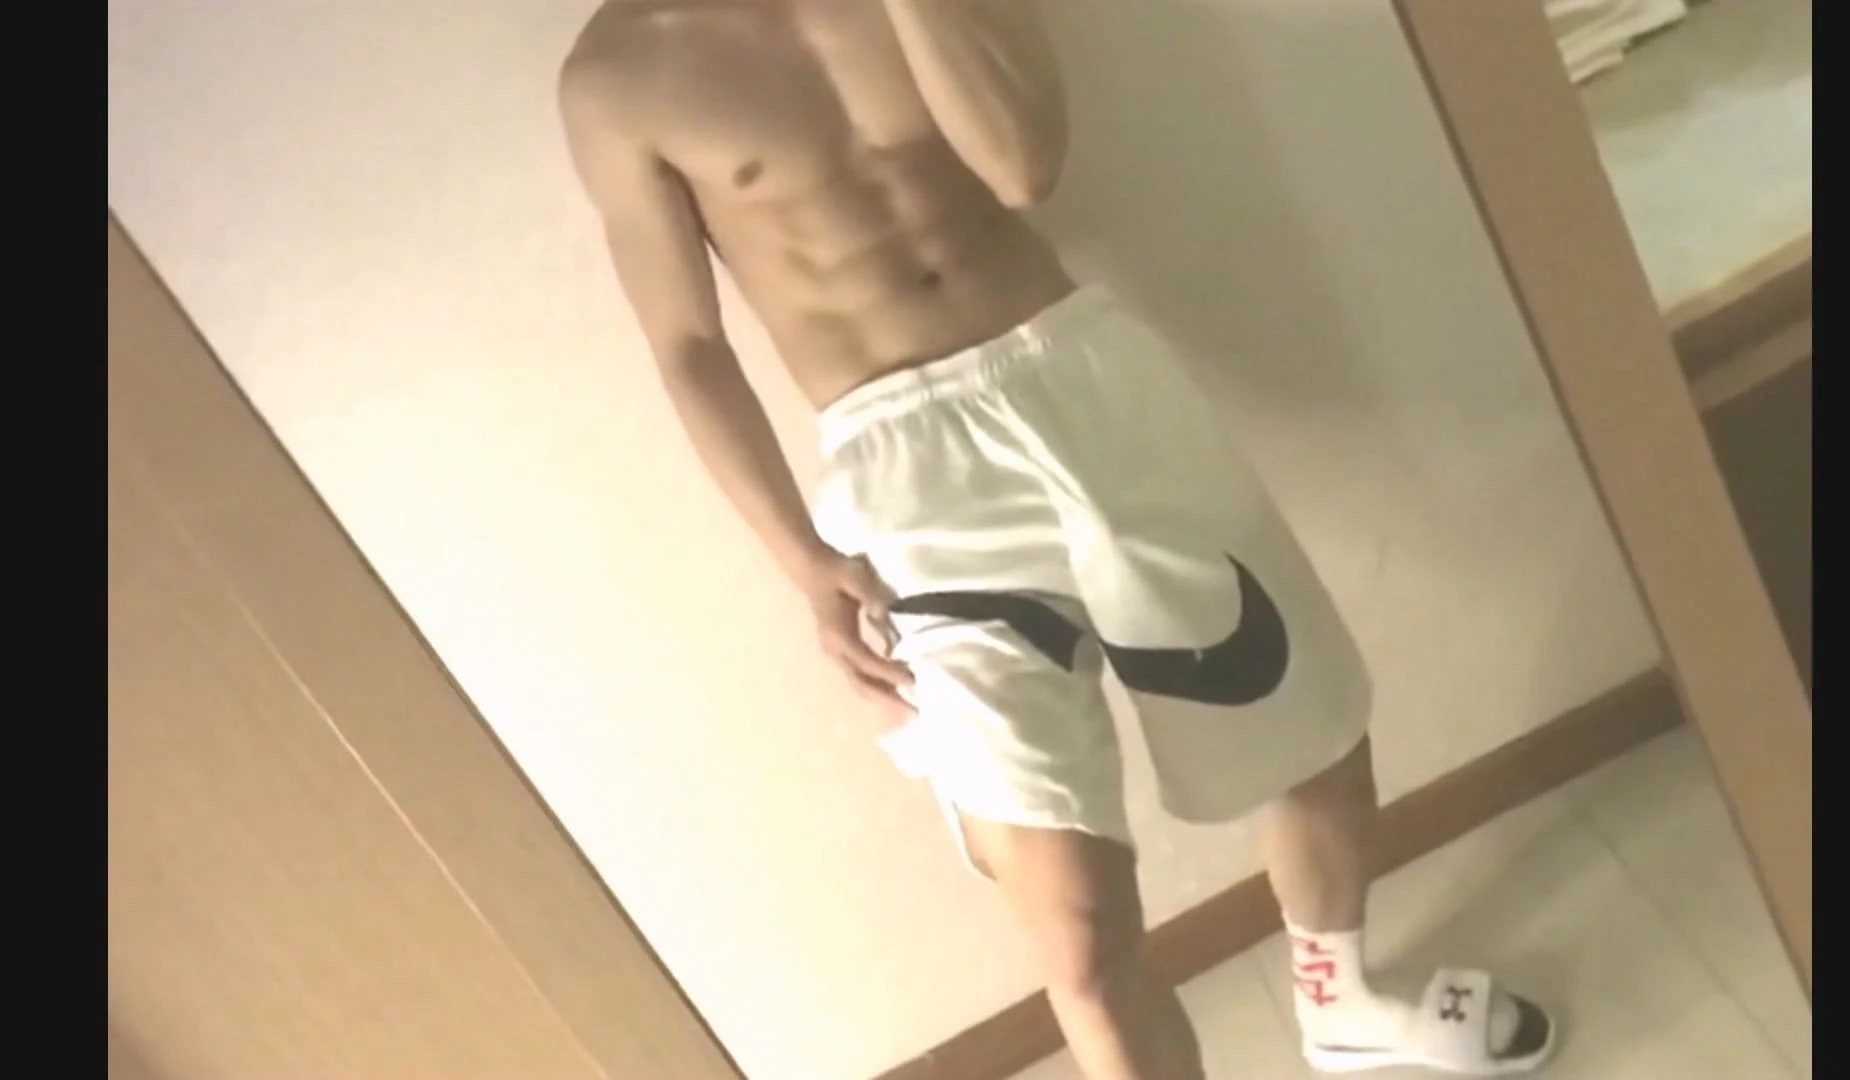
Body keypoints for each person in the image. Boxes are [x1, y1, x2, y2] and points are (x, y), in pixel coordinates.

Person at [559, 1, 1554, 1076]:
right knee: (1076, 932)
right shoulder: (618, 77)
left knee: (1310, 741)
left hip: (1080, 375)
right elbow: (689, 347)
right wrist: (803, 561)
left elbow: (1024, 166)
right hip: (910, 482)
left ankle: (1339, 1004)